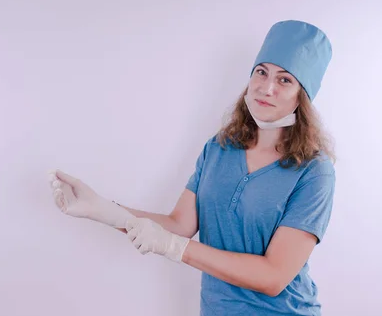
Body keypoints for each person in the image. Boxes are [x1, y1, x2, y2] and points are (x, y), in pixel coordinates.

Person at [48, 19, 336, 315]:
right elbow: (179, 225)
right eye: (261, 72)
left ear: (302, 97)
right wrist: (105, 210)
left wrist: (174, 248)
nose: (267, 87)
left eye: (285, 79)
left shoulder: (313, 171)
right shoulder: (220, 148)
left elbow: (273, 276)